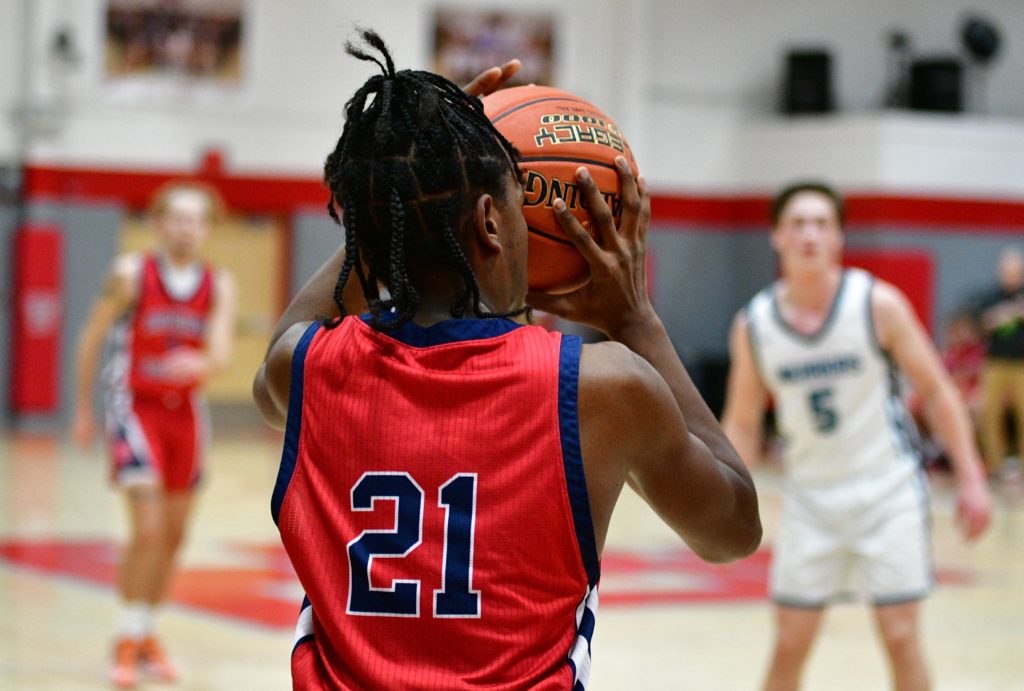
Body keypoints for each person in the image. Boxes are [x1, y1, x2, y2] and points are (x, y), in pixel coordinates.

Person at [253, 31, 760, 690]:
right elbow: (732, 529)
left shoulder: (309, 369)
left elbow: (283, 344)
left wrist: (400, 190)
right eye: (523, 204)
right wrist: (636, 320)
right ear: (491, 221)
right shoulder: (599, 386)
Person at [721, 181, 992, 691]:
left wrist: (972, 477)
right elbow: (743, 421)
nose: (810, 234)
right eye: (798, 224)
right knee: (789, 642)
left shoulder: (876, 304)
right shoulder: (754, 324)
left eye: (821, 224)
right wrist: (727, 505)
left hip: (887, 492)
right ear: (778, 236)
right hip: (810, 499)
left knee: (901, 636)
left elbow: (937, 390)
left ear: (839, 236)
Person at [72, 182, 237, 688]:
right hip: (134, 408)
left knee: (174, 535)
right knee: (146, 530)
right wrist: (82, 409)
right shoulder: (130, 273)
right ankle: (125, 637)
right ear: (160, 224)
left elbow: (220, 354)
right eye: (177, 218)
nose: (187, 228)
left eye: (196, 219)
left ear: (208, 228)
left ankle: (145, 633)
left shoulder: (219, 283)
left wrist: (201, 363)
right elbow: (91, 337)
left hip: (185, 414)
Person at [975, 247, 1024, 478]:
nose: (1011, 276)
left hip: (1021, 364)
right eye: (1008, 271)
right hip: (995, 364)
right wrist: (1003, 314)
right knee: (990, 414)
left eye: (1015, 271)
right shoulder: (991, 297)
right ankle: (995, 465)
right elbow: (980, 325)